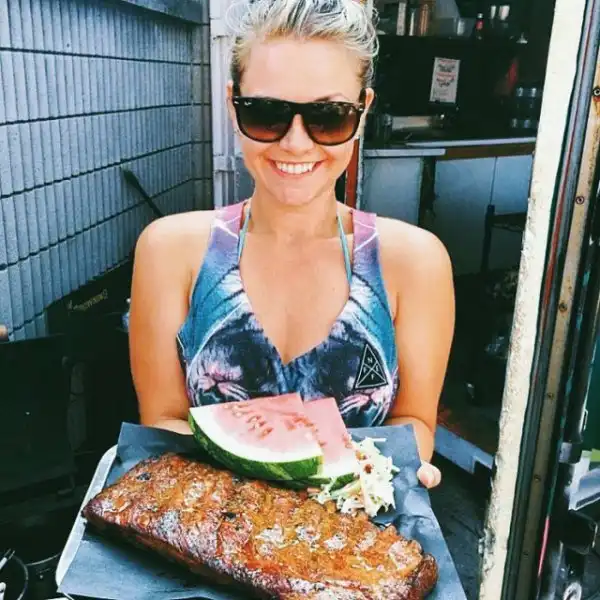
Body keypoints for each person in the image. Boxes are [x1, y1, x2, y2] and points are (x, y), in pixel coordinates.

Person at [128, 0, 455, 489]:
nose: (296, 143)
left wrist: (380, 472)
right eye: (266, 112)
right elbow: (163, 423)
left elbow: (414, 424)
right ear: (232, 103)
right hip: (214, 523)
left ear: (363, 111)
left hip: (352, 526)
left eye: (329, 116)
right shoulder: (170, 252)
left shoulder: (415, 263)